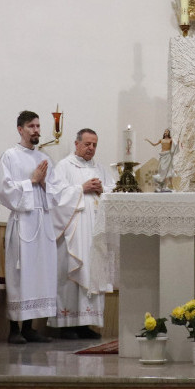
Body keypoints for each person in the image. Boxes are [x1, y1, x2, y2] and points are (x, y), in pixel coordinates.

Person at [0, 111, 67, 343]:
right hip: (22, 222)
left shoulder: (44, 158)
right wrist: (32, 181)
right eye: (31, 126)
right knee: (20, 273)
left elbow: (57, 193)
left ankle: (29, 327)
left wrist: (45, 183)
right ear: (20, 129)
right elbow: (4, 191)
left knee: (39, 274)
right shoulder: (10, 156)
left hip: (42, 222)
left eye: (38, 126)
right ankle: (13, 330)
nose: (36, 130)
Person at [49, 128, 114, 340]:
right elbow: (55, 197)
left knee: (93, 273)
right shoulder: (64, 167)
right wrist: (81, 189)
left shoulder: (101, 169)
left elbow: (113, 191)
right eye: (87, 144)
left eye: (95, 144)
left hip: (95, 230)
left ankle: (87, 322)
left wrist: (103, 189)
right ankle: (67, 324)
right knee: (72, 273)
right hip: (74, 232)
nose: (91, 148)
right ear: (76, 144)